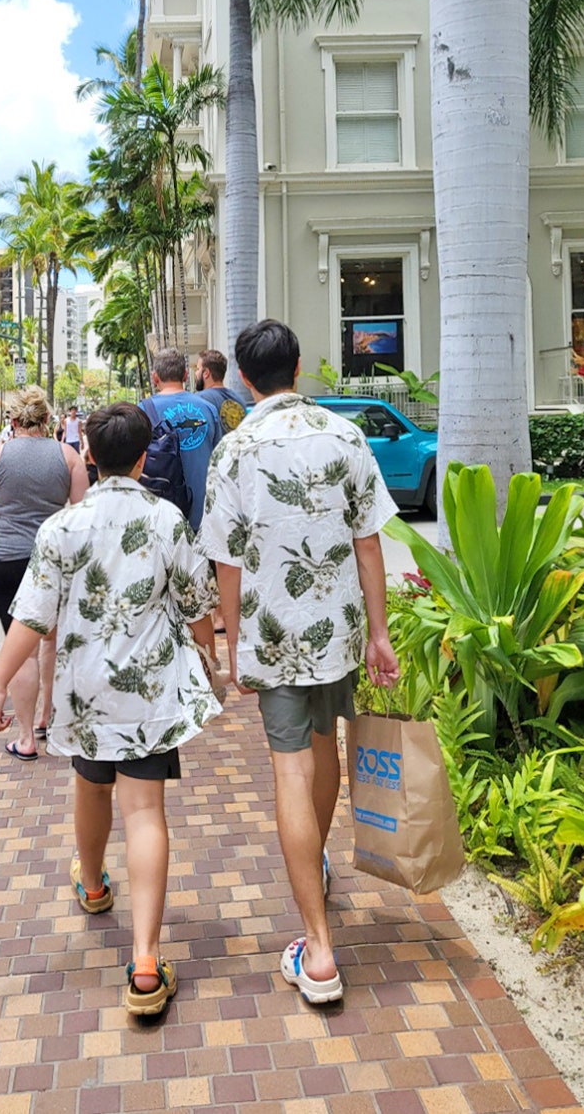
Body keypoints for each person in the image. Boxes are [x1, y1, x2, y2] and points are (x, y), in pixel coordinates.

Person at [0, 402, 221, 1016]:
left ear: (89, 454)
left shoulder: (63, 527)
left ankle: (92, 886)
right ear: (144, 458)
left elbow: (31, 616)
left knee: (91, 790)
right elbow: (198, 605)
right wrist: (211, 656)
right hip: (148, 692)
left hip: (86, 691)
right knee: (145, 811)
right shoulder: (167, 519)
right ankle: (145, 963)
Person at [200, 319, 400, 1005]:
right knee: (326, 752)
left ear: (246, 380)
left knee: (291, 768)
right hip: (338, 629)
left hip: (275, 634)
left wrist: (232, 645)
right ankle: (314, 863)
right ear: (301, 365)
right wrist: (380, 632)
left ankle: (317, 951)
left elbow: (225, 560)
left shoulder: (234, 449)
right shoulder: (345, 434)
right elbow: (369, 541)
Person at [0, 387, 88, 759]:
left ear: (12, 422)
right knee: (49, 640)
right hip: (54, 561)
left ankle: (26, 736)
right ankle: (48, 716)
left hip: (8, 561)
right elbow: (81, 514)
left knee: (20, 650)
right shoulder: (68, 456)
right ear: (48, 420)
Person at [141, 347, 221, 532]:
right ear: (185, 375)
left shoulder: (142, 411)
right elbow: (219, 462)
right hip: (205, 520)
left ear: (155, 378)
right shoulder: (209, 409)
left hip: (161, 522)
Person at [195, 348, 246, 435]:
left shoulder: (199, 400)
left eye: (198, 369)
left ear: (206, 373)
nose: (196, 373)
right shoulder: (239, 399)